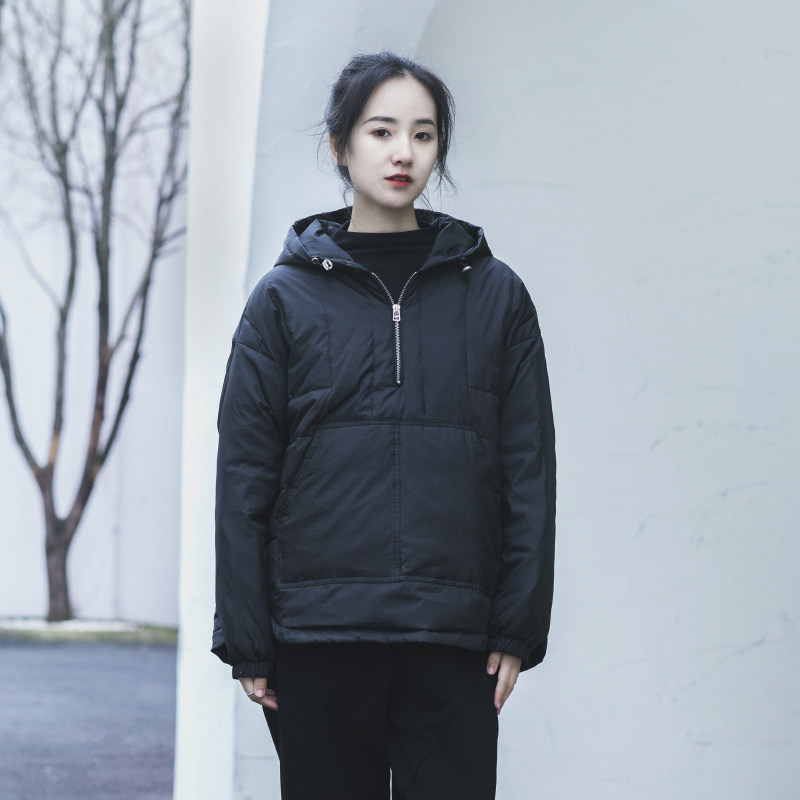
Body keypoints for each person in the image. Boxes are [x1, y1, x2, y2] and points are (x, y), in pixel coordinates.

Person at [212, 52, 556, 799]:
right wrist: (247, 638)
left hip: (454, 635)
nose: (404, 152)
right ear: (341, 145)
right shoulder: (282, 300)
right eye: (382, 131)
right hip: (317, 634)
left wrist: (517, 628)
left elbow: (528, 473)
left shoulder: (496, 296)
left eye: (423, 134)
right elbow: (244, 476)